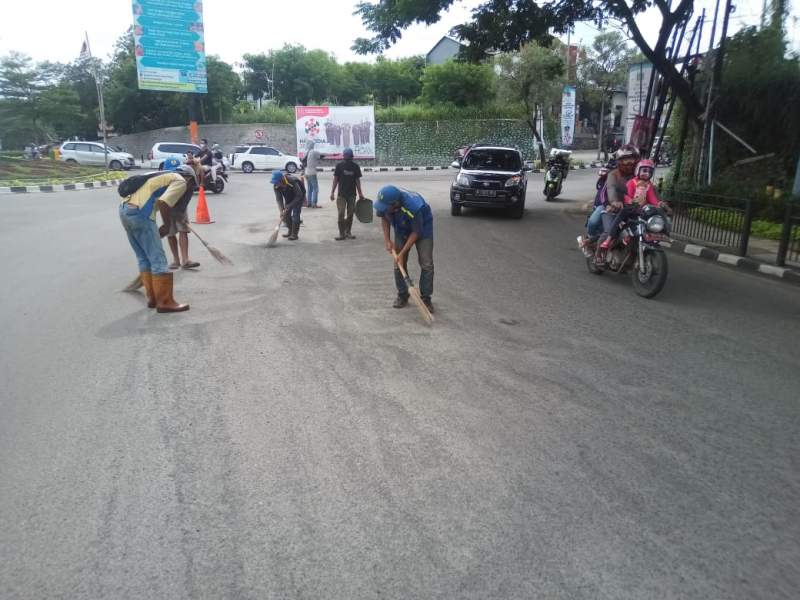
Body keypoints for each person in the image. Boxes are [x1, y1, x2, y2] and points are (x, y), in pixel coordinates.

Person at [119, 166, 196, 313]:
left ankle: (153, 299)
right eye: (192, 184)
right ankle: (165, 302)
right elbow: (163, 203)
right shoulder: (180, 181)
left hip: (124, 211)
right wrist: (167, 226)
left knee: (144, 258)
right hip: (141, 214)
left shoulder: (158, 176)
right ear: (189, 178)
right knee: (158, 259)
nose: (189, 188)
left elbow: (164, 203)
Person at [374, 185, 435, 312]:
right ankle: (403, 294)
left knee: (427, 263)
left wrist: (401, 253)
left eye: (386, 208)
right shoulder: (385, 203)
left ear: (395, 204)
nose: (383, 209)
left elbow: (416, 233)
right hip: (401, 227)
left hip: (422, 228)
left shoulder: (413, 207)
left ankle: (426, 298)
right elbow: (384, 218)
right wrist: (387, 240)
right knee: (398, 264)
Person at [599, 158, 669, 250]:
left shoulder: (649, 185)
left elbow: (652, 198)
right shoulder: (632, 182)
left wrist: (659, 204)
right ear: (638, 170)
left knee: (653, 219)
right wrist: (630, 201)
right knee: (619, 218)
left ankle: (657, 236)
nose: (646, 174)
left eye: (649, 172)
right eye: (644, 171)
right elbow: (627, 195)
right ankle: (608, 239)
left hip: (641, 210)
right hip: (630, 208)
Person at [163, 158, 201, 270]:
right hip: (166, 206)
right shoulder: (164, 180)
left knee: (183, 230)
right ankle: (176, 260)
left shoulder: (190, 181)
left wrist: (180, 213)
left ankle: (185, 260)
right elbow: (162, 200)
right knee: (170, 233)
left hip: (180, 207)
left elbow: (186, 198)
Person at [330, 148, 364, 241]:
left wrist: (360, 193)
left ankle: (348, 232)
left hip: (352, 194)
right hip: (341, 195)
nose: (347, 158)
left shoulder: (355, 166)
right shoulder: (339, 166)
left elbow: (357, 181)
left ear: (351, 157)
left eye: (348, 156)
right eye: (346, 156)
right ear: (343, 156)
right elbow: (335, 179)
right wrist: (332, 192)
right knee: (341, 213)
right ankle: (341, 233)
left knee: (350, 214)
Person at [272, 170, 305, 241]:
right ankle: (290, 231)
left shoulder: (292, 181)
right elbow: (279, 199)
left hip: (299, 196)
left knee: (295, 214)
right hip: (289, 197)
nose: (276, 184)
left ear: (281, 180)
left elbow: (299, 195)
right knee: (285, 215)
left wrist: (289, 205)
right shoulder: (276, 186)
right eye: (275, 182)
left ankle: (295, 234)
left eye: (277, 182)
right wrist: (281, 210)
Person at [302, 140, 322, 208]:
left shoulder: (306, 152)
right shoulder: (313, 151)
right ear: (312, 145)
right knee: (315, 189)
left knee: (310, 188)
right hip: (312, 172)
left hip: (306, 172)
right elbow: (321, 156)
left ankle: (309, 203)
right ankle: (314, 203)